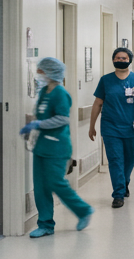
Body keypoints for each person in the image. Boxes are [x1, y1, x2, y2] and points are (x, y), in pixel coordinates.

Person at [21, 56, 93, 238]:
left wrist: (38, 124)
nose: (38, 73)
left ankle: (83, 210)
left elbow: (62, 118)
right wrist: (32, 124)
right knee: (40, 187)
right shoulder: (44, 92)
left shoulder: (61, 93)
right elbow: (41, 114)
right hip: (41, 147)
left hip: (57, 147)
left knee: (56, 183)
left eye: (41, 70)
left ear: (51, 72)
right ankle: (45, 224)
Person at [88, 47, 134, 208]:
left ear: (130, 60)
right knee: (115, 160)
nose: (121, 60)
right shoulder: (105, 80)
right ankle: (118, 194)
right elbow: (98, 103)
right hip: (110, 127)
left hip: (131, 126)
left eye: (124, 58)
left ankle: (124, 182)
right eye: (118, 58)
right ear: (113, 60)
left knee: (129, 158)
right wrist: (92, 125)